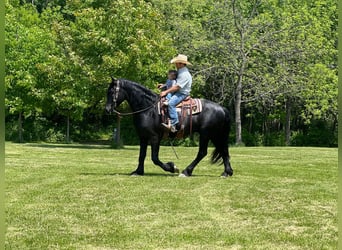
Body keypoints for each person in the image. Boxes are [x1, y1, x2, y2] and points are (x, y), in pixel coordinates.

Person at [160, 54, 192, 132]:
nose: (175, 64)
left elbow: (177, 86)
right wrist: (164, 85)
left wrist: (165, 92)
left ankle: (174, 125)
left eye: (177, 63)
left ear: (181, 63)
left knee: (171, 103)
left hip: (182, 93)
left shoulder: (184, 74)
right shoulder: (180, 71)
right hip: (177, 92)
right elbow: (173, 82)